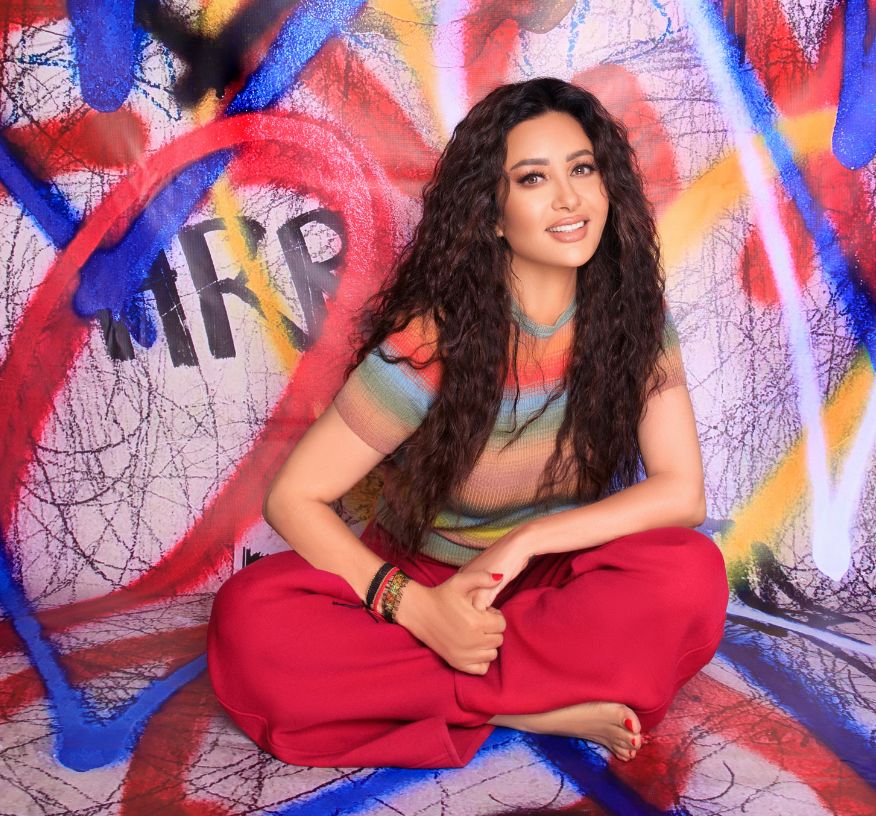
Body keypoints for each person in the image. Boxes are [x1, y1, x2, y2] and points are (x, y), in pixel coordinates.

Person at [207, 76, 729, 770]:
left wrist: (527, 543)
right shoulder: (431, 342)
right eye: (533, 178)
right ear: (492, 214)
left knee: (692, 576)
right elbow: (293, 498)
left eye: (582, 169)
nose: (569, 198)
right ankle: (528, 705)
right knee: (251, 622)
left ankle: (448, 694)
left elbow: (681, 493)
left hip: (554, 587)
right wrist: (421, 612)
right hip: (427, 585)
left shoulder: (635, 321)